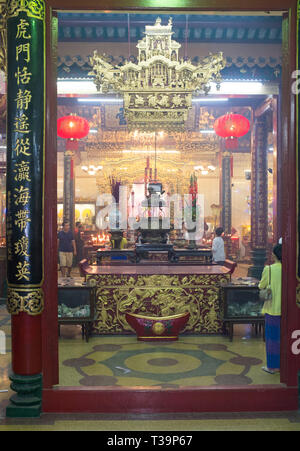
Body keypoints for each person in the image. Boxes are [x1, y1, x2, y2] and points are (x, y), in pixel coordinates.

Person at [259, 243, 282, 374]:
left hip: (272, 308)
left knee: (272, 339)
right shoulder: (290, 268)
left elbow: (261, 285)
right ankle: (284, 364)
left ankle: (272, 366)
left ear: (274, 255)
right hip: (286, 308)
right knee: (283, 338)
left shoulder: (269, 269)